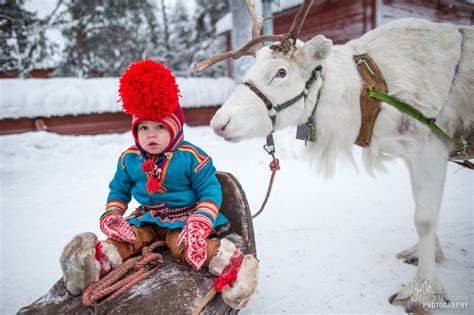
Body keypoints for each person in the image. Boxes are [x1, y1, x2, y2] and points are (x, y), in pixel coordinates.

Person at [59, 60, 259, 309]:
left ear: (174, 128)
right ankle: (92, 264)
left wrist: (200, 221)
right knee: (130, 237)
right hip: (149, 219)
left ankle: (236, 264)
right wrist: (113, 214)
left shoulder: (192, 158)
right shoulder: (129, 159)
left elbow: (210, 190)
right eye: (143, 127)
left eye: (159, 127)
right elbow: (119, 189)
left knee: (181, 246)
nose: (150, 134)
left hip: (185, 220)